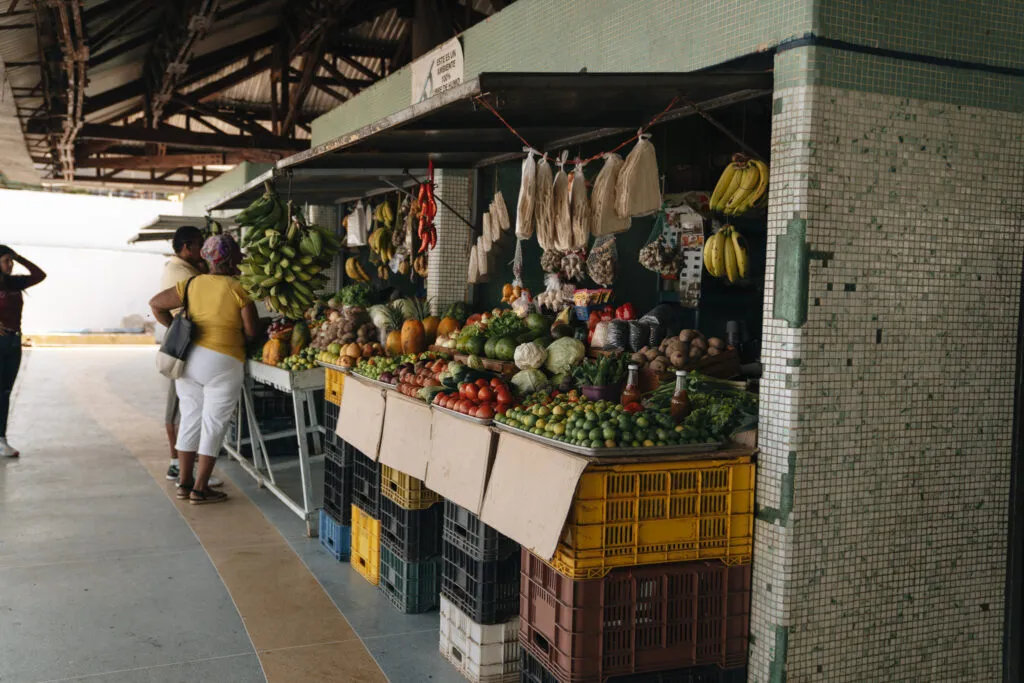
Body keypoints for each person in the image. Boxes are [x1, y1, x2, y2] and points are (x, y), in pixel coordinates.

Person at [149, 234, 257, 504]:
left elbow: (156, 303)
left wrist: (175, 328)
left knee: (190, 419)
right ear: (232, 259)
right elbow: (252, 330)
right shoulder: (239, 287)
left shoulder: (191, 283)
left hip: (189, 359)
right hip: (224, 360)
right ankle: (200, 489)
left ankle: (184, 484)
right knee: (214, 423)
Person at [160, 226, 207, 482]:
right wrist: (178, 329)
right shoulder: (182, 273)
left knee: (180, 407)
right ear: (187, 247)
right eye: (199, 245)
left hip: (180, 342)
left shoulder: (180, 268)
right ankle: (179, 466)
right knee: (182, 409)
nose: (202, 250)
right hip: (184, 346)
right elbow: (157, 305)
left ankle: (178, 463)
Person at [0, 246, 45, 458]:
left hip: (14, 342)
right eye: (5, 260)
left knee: (5, 392)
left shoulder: (15, 282)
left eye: (11, 261)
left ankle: (1, 439)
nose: (9, 264)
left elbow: (39, 275)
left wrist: (20, 257)